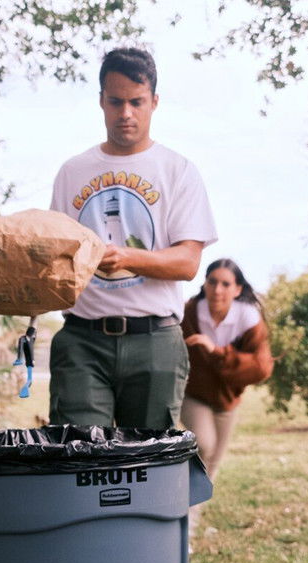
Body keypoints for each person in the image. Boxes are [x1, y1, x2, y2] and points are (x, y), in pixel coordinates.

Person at [48, 47, 217, 429]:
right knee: (79, 459)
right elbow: (57, 259)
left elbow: (188, 263)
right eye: (116, 102)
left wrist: (125, 259)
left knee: (145, 468)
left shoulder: (178, 171)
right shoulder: (72, 172)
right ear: (101, 102)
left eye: (136, 102)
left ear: (154, 102)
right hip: (82, 342)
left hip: (155, 341)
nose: (126, 113)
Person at [180, 259, 273, 479]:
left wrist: (216, 352)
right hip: (193, 394)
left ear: (238, 289)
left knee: (212, 464)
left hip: (227, 400)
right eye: (211, 282)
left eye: (225, 284)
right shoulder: (190, 312)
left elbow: (261, 368)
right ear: (204, 284)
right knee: (203, 444)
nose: (217, 290)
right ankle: (179, 505)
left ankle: (191, 512)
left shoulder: (248, 318)